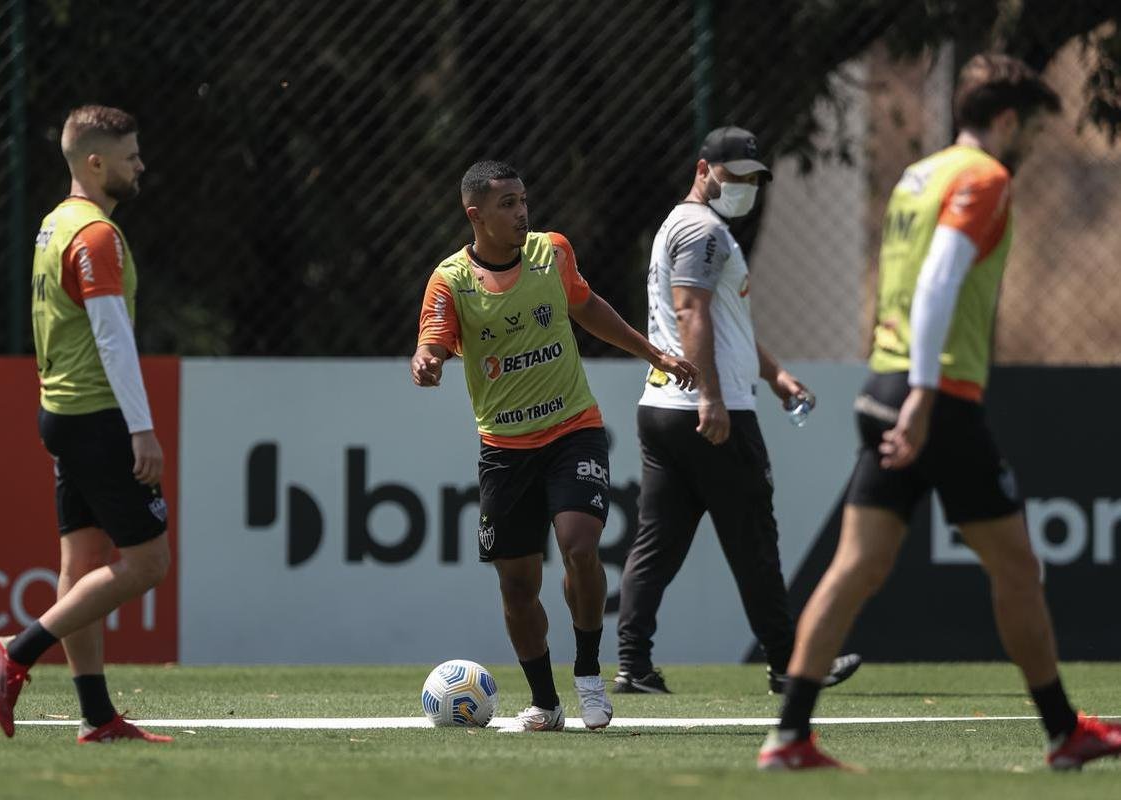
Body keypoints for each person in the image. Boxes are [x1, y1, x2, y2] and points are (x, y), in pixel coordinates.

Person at [759, 54, 1121, 771]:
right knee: (1017, 566)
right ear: (1008, 120)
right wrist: (926, 398)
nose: (1031, 146)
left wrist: (906, 389)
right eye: (1032, 129)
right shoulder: (983, 178)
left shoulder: (917, 176)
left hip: (884, 383)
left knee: (855, 566)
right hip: (938, 400)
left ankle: (789, 735)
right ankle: (1062, 733)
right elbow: (938, 281)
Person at [412, 160, 697, 731]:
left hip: (573, 429)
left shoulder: (553, 253)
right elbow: (433, 339)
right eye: (507, 204)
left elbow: (588, 307)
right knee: (517, 585)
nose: (522, 212)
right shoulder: (451, 280)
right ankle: (545, 702)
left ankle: (590, 675)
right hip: (504, 447)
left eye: (523, 200)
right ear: (476, 215)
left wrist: (656, 354)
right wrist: (427, 361)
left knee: (580, 545)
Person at [614, 126, 861, 696]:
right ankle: (789, 663)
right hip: (706, 409)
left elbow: (724, 322)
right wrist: (711, 396)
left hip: (660, 406)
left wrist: (773, 373)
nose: (745, 187)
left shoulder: (681, 225)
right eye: (735, 176)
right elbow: (691, 310)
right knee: (754, 540)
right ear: (704, 169)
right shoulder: (703, 228)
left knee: (657, 542)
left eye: (754, 179)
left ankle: (633, 665)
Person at [0, 105, 172, 744]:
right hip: (97, 416)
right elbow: (112, 338)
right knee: (147, 564)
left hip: (62, 411)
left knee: (83, 561)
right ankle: (16, 653)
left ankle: (96, 716)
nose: (140, 164)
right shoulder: (94, 235)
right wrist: (140, 429)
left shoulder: (53, 225)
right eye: (130, 154)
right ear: (96, 161)